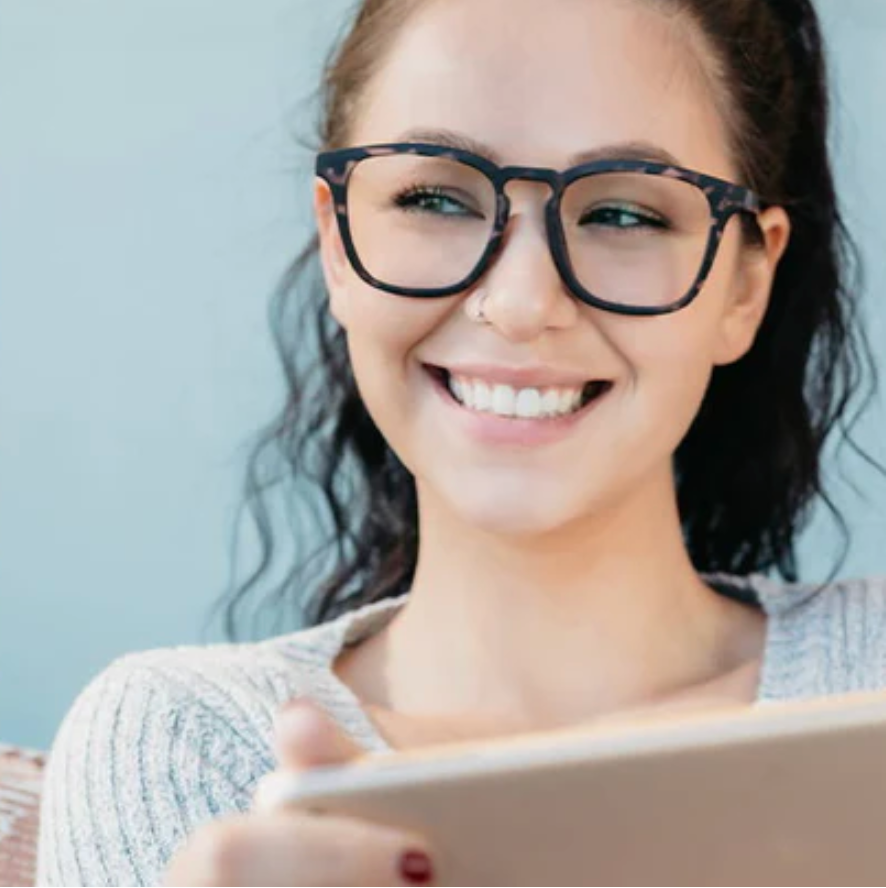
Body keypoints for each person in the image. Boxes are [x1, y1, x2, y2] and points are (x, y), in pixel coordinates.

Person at [37, 0, 885, 885]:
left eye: (625, 214)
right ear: (337, 243)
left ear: (745, 284)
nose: (520, 304)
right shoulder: (184, 747)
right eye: (435, 199)